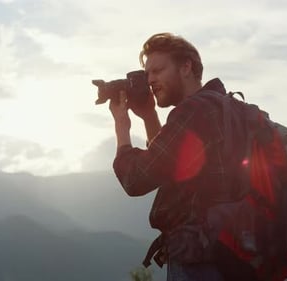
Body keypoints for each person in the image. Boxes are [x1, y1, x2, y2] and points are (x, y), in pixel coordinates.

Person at [109, 32, 255, 281]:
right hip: (234, 253)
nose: (151, 80)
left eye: (158, 71)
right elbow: (168, 168)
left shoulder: (194, 111)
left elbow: (136, 179)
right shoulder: (224, 106)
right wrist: (149, 117)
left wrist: (122, 128)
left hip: (201, 260)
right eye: (147, 74)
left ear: (186, 67)